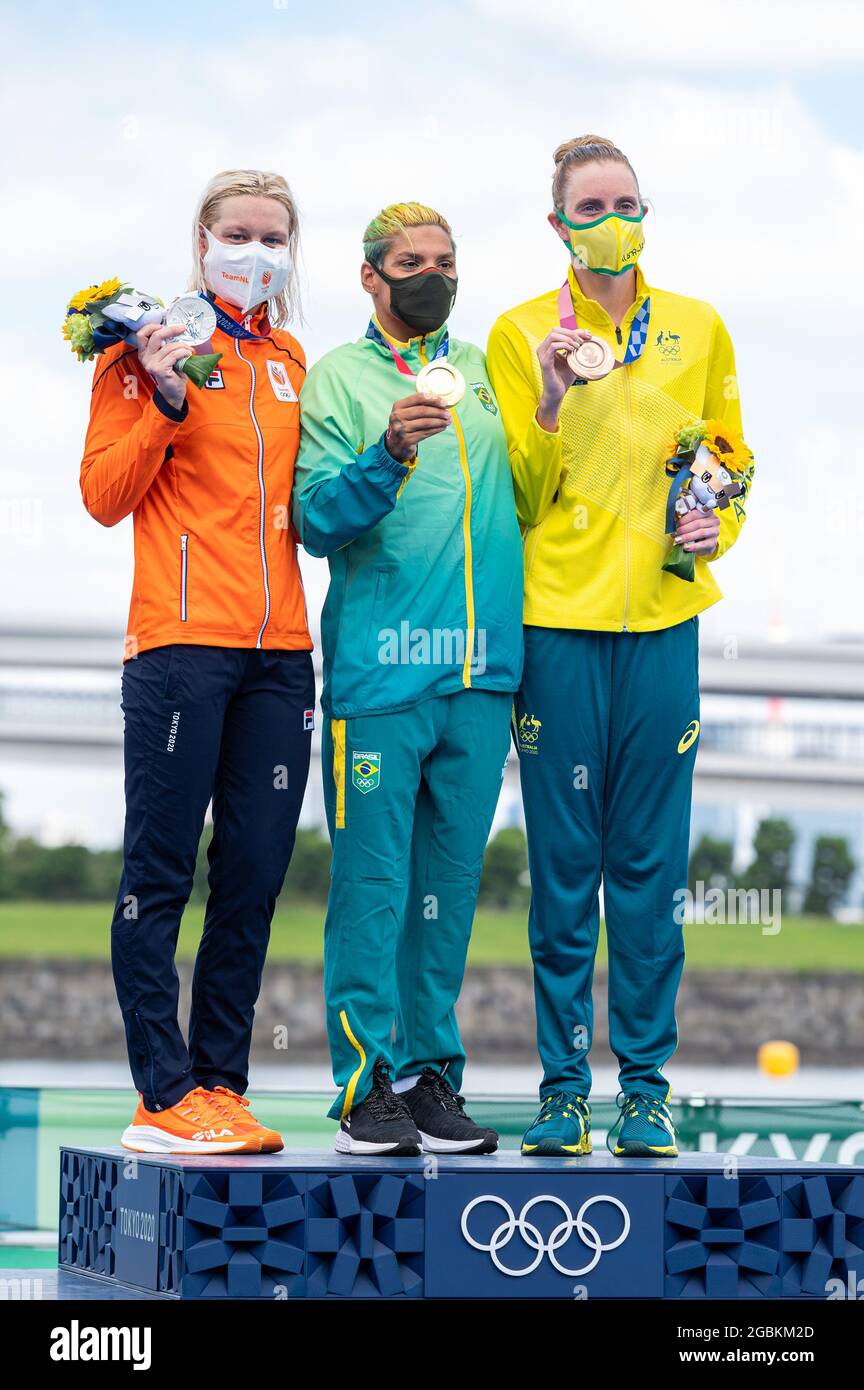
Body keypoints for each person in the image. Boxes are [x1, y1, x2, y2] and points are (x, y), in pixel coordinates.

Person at [487, 136, 754, 1158]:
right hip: (557, 625)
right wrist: (553, 401)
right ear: (558, 225)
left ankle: (646, 1088)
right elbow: (516, 494)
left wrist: (714, 525)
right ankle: (562, 1090)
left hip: (666, 629)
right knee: (566, 869)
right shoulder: (519, 333)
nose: (615, 219)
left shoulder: (698, 326)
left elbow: (727, 460)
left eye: (629, 202)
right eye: (592, 206)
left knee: (650, 867)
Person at [80, 169, 315, 1154]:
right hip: (180, 646)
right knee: (161, 872)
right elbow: (103, 492)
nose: (256, 253)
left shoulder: (296, 358)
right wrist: (166, 398)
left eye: (274, 238)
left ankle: (219, 1084)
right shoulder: (144, 352)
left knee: (254, 874)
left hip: (283, 654)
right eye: (239, 233)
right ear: (203, 238)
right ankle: (161, 1092)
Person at [293, 202, 523, 1155]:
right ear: (370, 277)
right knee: (376, 888)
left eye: (446, 260)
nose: (432, 275)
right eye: (410, 262)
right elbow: (313, 520)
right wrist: (385, 453)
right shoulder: (338, 378)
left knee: (448, 892)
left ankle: (433, 1078)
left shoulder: (483, 370)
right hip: (381, 679)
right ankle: (364, 1085)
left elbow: (533, 489)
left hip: (480, 678)